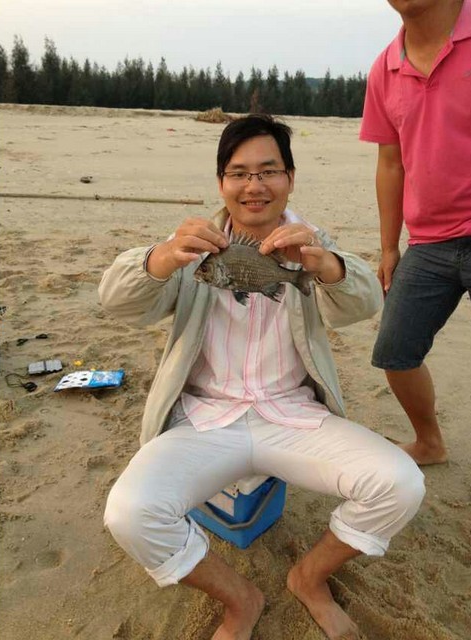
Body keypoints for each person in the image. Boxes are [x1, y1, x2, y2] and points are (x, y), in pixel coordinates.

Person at [99, 114, 425, 640]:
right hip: (204, 420)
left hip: (293, 416)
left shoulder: (309, 243)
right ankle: (240, 598)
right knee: (129, 514)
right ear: (221, 183)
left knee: (402, 483)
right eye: (239, 173)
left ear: (289, 178)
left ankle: (308, 577)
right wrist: (159, 259)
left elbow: (363, 302)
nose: (254, 185)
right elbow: (117, 302)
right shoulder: (193, 247)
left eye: (269, 171)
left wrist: (326, 265)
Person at [360, 0, 471, 466]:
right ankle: (429, 442)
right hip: (428, 243)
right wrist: (389, 247)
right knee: (395, 352)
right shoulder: (385, 68)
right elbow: (391, 162)